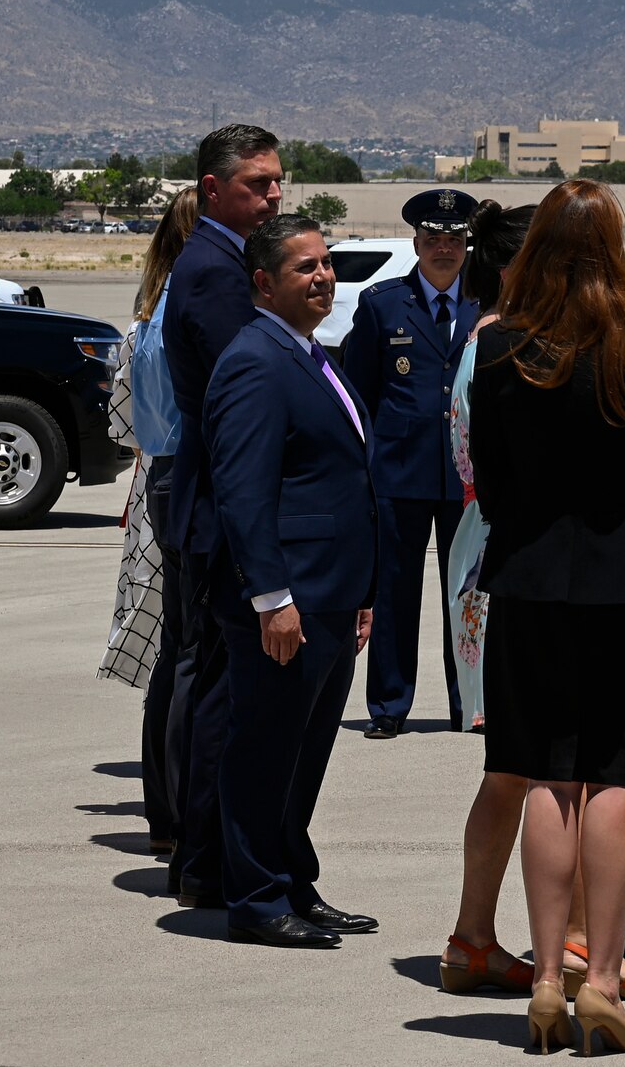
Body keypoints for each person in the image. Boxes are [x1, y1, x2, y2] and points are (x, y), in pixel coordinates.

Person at [469, 178, 625, 1054]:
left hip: (534, 582)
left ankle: (541, 978)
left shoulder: (502, 353)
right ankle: (601, 977)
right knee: (618, 780)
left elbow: (490, 484)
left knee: (545, 775)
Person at [204, 214, 378, 948]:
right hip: (288, 600)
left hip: (333, 594)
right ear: (263, 283)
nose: (323, 276)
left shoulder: (310, 352)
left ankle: (291, 879)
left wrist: (362, 591)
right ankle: (254, 895)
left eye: (326, 263)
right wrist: (271, 597)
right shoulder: (255, 359)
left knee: (304, 752)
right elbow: (243, 492)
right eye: (304, 267)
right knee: (266, 747)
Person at [160, 125, 285, 908]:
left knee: (218, 691)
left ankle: (207, 855)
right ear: (213, 190)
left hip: (219, 510)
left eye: (278, 182)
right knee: (219, 698)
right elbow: (244, 397)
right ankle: (207, 860)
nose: (274, 196)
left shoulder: (225, 262)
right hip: (221, 515)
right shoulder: (211, 273)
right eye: (257, 185)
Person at [437, 198, 536, 995]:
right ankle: (557, 941)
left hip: (486, 552)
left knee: (514, 764)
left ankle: (478, 935)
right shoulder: (499, 347)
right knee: (530, 762)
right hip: (505, 560)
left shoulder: (491, 341)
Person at [344, 187, 480, 738]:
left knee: (466, 591)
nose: (443, 248)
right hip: (398, 472)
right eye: (433, 238)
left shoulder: (488, 305)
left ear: (466, 245)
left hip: (468, 476)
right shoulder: (381, 304)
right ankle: (388, 706)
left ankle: (465, 702)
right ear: (416, 241)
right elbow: (359, 395)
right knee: (395, 593)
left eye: (453, 239)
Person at [97, 187, 202, 853]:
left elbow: (124, 424)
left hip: (156, 480)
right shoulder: (182, 319)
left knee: (174, 652)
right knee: (189, 653)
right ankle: (175, 810)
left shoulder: (147, 318)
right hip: (183, 479)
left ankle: (165, 810)